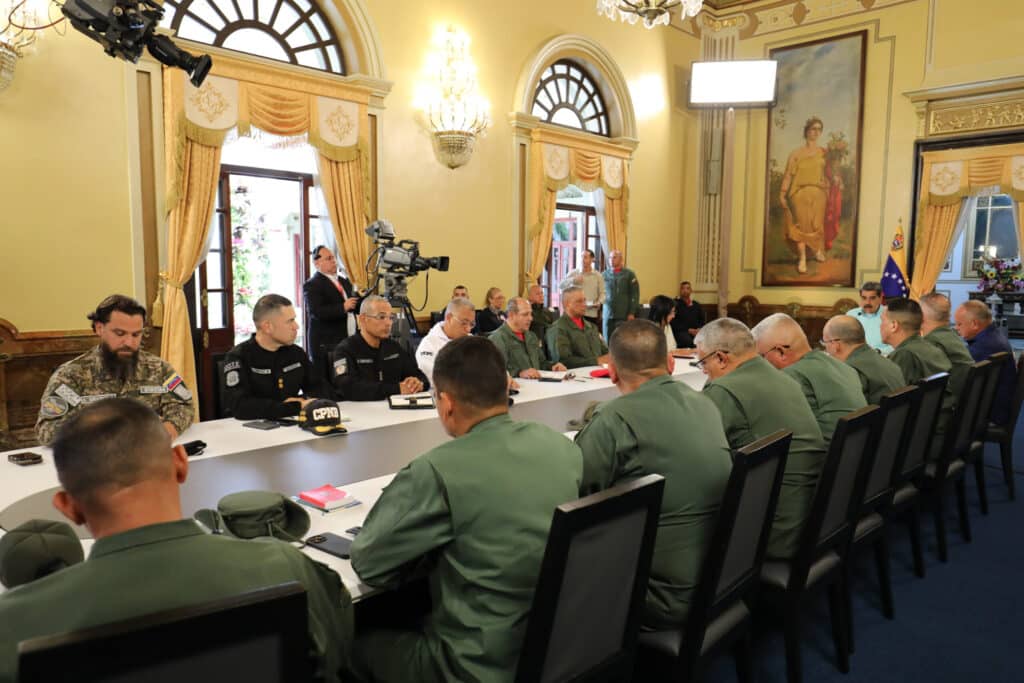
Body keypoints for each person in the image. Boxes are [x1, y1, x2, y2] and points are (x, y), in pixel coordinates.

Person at [2, 399, 353, 683]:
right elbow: (333, 658)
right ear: (181, 463)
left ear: (68, 507)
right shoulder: (283, 566)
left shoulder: (13, 625)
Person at [349, 336, 582, 682]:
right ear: (505, 386)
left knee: (349, 644)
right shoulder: (562, 448)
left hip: (475, 665)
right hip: (555, 647)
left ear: (445, 403)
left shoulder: (436, 470)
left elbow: (369, 563)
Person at [574, 320, 731, 628]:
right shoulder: (706, 404)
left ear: (612, 372)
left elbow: (579, 499)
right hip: (722, 573)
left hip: (662, 595)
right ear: (670, 363)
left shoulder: (614, 420)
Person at [695, 318, 826, 559]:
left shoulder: (724, 391)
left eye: (703, 363)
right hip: (811, 519)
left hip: (773, 532)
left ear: (721, 358)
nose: (703, 371)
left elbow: (697, 462)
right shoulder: (785, 379)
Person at [35, 295, 193, 446]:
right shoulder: (71, 375)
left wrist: (167, 430)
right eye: (120, 333)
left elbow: (183, 406)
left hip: (147, 455)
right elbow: (47, 430)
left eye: (136, 335)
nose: (129, 342)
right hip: (94, 458)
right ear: (99, 328)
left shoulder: (158, 369)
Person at [752, 313, 866, 448]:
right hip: (856, 453)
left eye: (761, 357)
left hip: (825, 457)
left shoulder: (790, 377)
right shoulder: (843, 367)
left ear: (781, 352)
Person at [222, 294, 333, 419]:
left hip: (291, 423)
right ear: (267, 327)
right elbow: (240, 407)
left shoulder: (296, 353)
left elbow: (322, 390)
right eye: (290, 321)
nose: (296, 326)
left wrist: (303, 400)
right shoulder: (238, 357)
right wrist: (294, 407)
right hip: (249, 428)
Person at [881, 297, 954, 459]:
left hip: (923, 440)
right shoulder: (929, 347)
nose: (880, 326)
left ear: (894, 326)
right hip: (943, 429)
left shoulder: (905, 354)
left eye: (882, 321)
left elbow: (894, 406)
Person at [332, 295, 429, 401]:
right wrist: (396, 389)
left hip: (392, 408)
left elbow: (421, 377)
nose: (388, 323)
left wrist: (418, 384)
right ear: (363, 319)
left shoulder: (394, 348)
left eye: (391, 317)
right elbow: (347, 388)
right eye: (381, 317)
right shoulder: (345, 350)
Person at [778, 116, 841, 275]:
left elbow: (829, 173)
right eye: (813, 129)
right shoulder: (796, 154)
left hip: (819, 193)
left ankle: (817, 249)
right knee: (802, 226)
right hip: (799, 193)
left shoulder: (824, 153)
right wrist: (782, 193)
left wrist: (835, 177)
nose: (816, 132)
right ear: (807, 131)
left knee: (817, 225)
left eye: (819, 129)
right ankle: (802, 258)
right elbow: (788, 175)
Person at [955, 300, 1017, 425]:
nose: (956, 328)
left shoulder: (984, 347)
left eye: (959, 324)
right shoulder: (993, 336)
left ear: (974, 324)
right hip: (996, 409)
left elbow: (961, 385)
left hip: (990, 415)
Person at [303, 246, 360, 383]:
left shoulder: (344, 281)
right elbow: (316, 312)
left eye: (333, 258)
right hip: (326, 344)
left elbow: (353, 305)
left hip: (348, 339)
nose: (333, 261)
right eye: (328, 258)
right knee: (328, 382)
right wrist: (342, 307)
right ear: (317, 263)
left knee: (346, 380)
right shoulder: (312, 285)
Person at [822, 314, 906, 405]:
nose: (826, 350)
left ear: (835, 345)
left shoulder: (849, 372)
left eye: (825, 343)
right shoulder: (888, 362)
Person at [489, 298, 567, 379]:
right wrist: (520, 373)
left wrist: (553, 366)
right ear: (511, 315)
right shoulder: (497, 338)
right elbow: (496, 370)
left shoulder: (531, 336)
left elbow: (541, 363)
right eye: (525, 314)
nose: (531, 318)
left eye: (530, 314)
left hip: (537, 384)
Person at [920, 293, 974, 402]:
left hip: (948, 404)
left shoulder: (932, 342)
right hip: (964, 400)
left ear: (922, 316)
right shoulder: (951, 335)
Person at [547, 286, 610, 369]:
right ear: (566, 304)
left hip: (598, 372)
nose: (584, 304)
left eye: (584, 300)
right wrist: (596, 361)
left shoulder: (592, 327)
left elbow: (605, 352)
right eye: (579, 301)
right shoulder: (558, 328)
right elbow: (562, 360)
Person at [416, 297, 475, 381]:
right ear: (449, 318)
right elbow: (431, 377)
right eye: (464, 323)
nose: (468, 329)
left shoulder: (471, 340)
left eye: (471, 324)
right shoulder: (429, 344)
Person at [558, 248, 605, 326]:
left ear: (592, 259)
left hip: (590, 313)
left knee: (590, 333)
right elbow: (561, 285)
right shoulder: (574, 273)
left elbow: (603, 293)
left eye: (585, 257)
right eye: (582, 257)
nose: (583, 260)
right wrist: (573, 280)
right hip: (575, 312)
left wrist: (599, 302)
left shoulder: (598, 276)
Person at [602, 249, 641, 341]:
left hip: (623, 314)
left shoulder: (629, 274)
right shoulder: (604, 275)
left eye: (614, 257)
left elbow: (634, 294)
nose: (611, 260)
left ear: (621, 259)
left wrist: (631, 312)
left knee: (622, 340)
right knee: (607, 340)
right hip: (608, 314)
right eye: (610, 257)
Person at [847, 281, 893, 354]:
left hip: (881, 356)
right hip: (855, 356)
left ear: (880, 298)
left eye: (872, 298)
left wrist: (878, 351)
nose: (867, 302)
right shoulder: (851, 315)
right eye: (864, 298)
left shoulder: (891, 315)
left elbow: (898, 343)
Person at [670, 280, 704, 348]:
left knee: (704, 340)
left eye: (687, 288)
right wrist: (688, 330)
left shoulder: (696, 305)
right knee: (687, 341)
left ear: (691, 291)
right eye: (683, 288)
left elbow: (702, 319)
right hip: (681, 331)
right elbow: (673, 322)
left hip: (696, 331)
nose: (685, 290)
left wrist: (699, 329)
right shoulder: (675, 303)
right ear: (680, 291)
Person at [526, 284, 556, 349]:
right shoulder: (528, 312)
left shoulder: (547, 311)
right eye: (537, 294)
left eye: (542, 293)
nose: (541, 296)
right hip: (536, 343)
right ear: (529, 297)